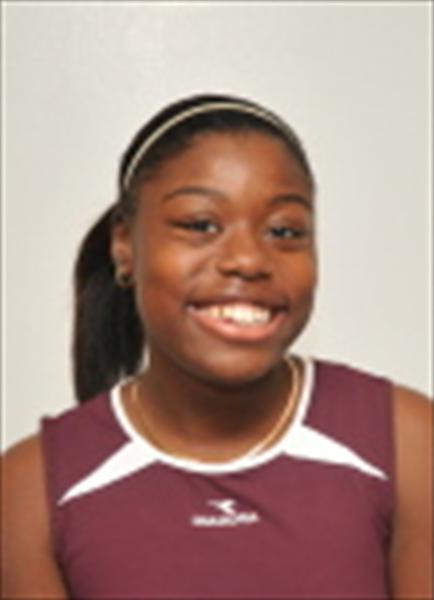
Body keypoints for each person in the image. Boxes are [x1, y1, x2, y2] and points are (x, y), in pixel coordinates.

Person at [1, 94, 432, 600]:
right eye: (201, 225)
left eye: (284, 230)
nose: (248, 260)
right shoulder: (29, 491)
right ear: (124, 245)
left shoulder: (408, 444)